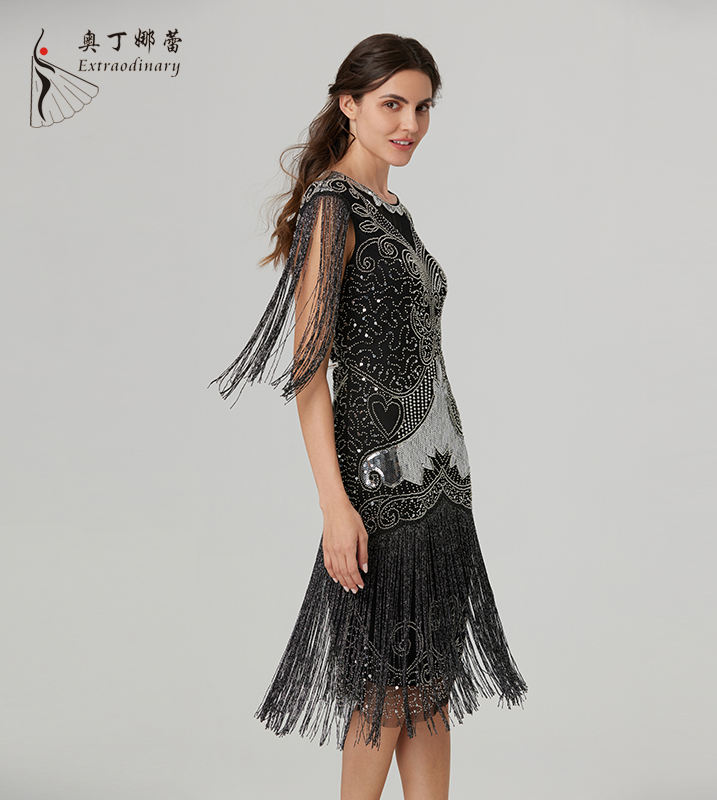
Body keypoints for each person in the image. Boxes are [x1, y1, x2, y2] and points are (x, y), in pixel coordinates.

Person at [208, 32, 527, 800]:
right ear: (348, 105)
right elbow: (308, 373)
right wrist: (334, 505)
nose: (410, 123)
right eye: (392, 104)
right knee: (385, 687)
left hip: (441, 480)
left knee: (429, 688)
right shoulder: (332, 207)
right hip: (379, 487)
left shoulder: (393, 209)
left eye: (423, 107)